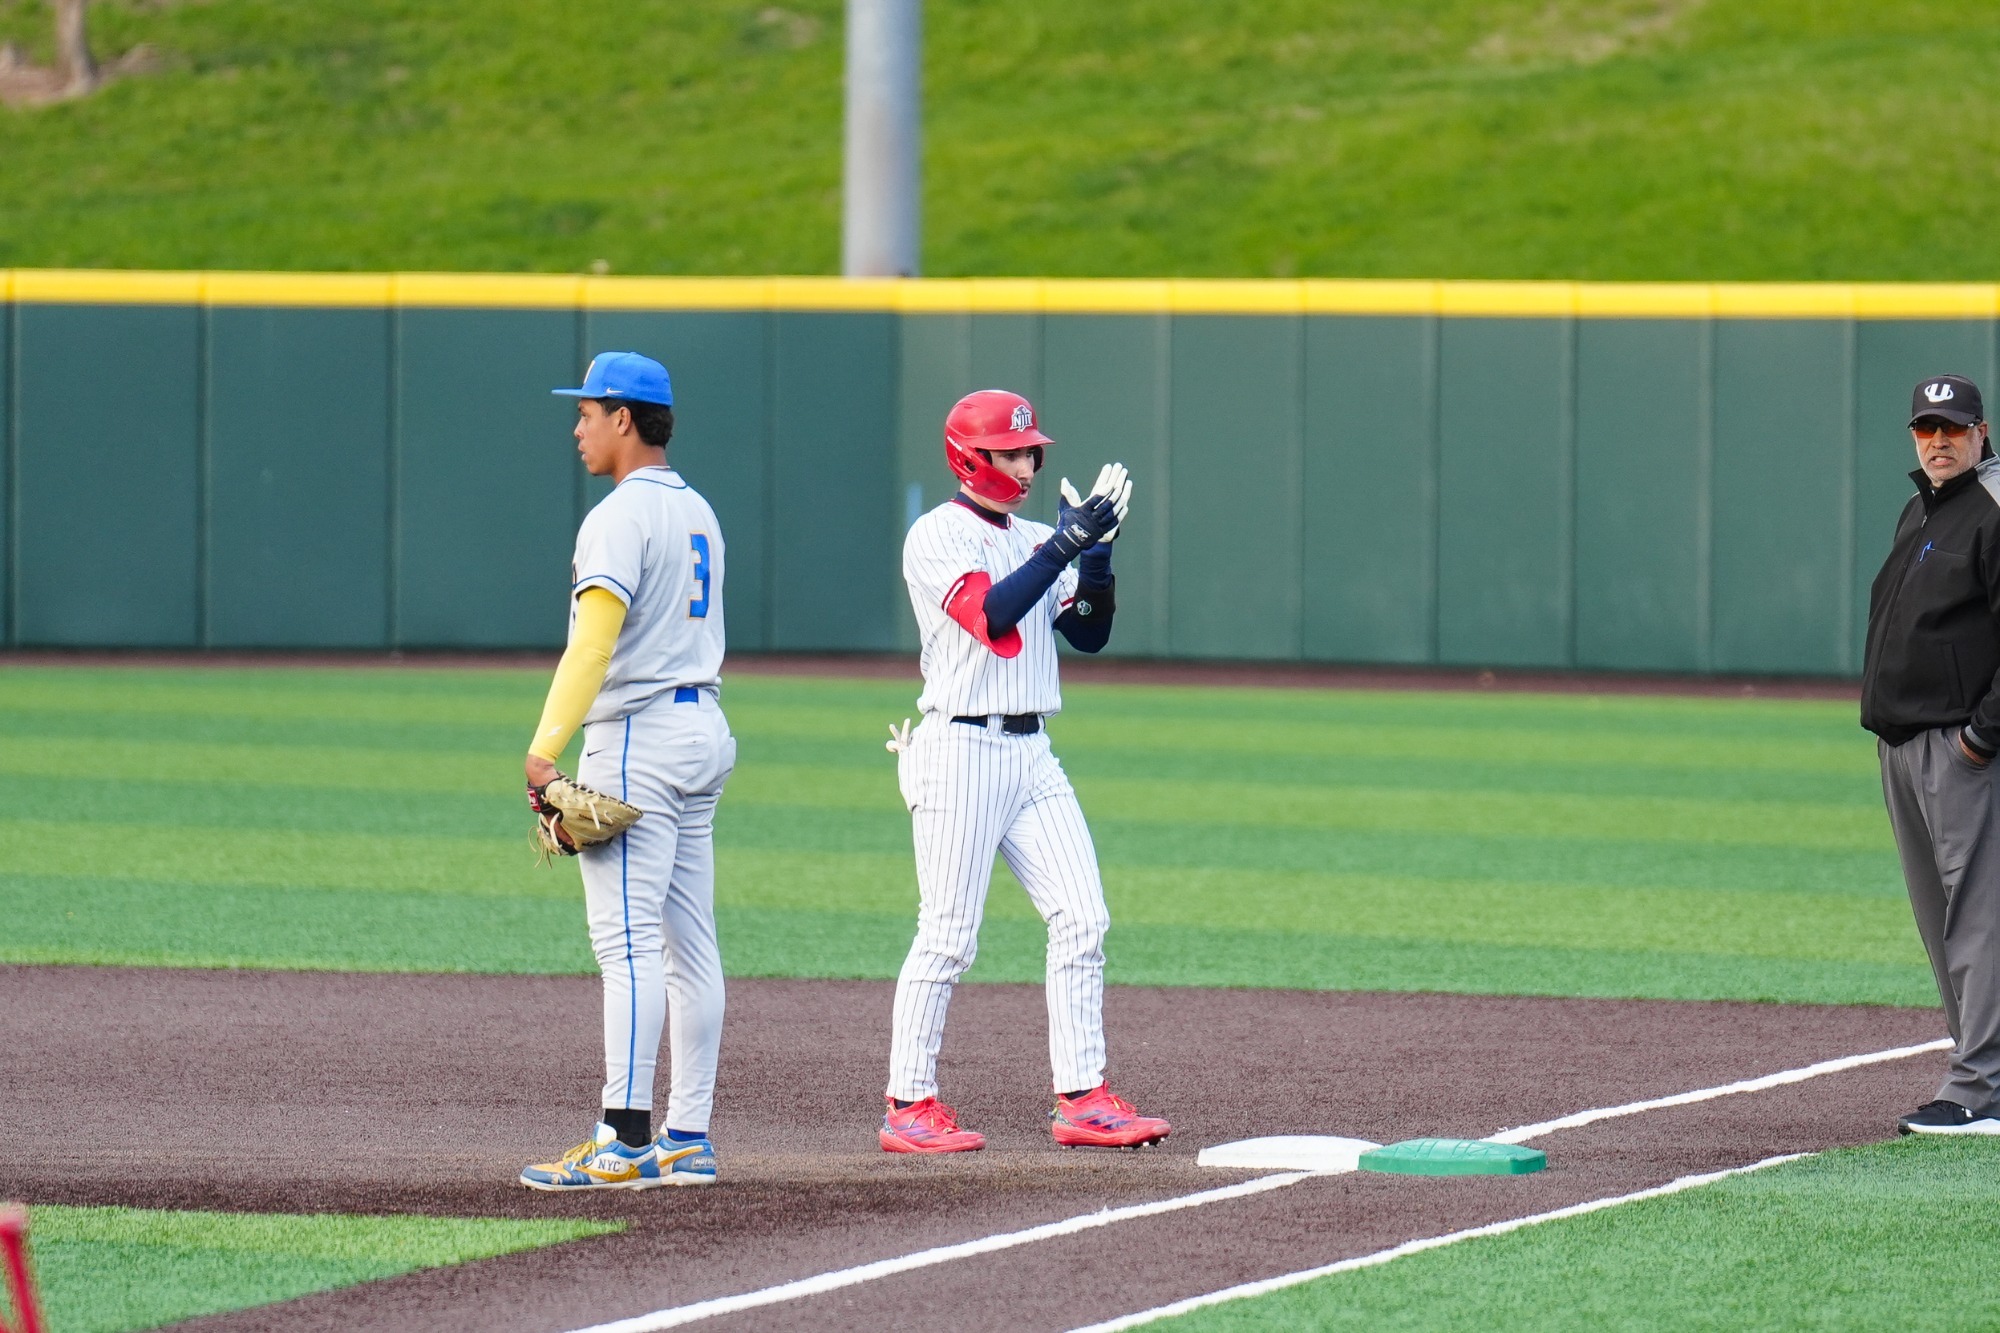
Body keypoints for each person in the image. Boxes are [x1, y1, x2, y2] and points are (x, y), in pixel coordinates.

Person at [878, 388, 1169, 1153]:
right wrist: (1064, 547)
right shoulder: (936, 534)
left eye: (1030, 449)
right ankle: (909, 1101)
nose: (1027, 461)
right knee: (947, 936)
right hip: (960, 749)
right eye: (1012, 451)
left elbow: (1090, 633)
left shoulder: (1041, 535)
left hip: (1032, 749)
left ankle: (1082, 1095)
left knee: (1083, 917)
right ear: (970, 457)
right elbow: (993, 615)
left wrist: (1096, 558)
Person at [516, 351, 738, 1188]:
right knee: (690, 942)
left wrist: (545, 748)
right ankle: (689, 1135)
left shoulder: (617, 517)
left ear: (625, 418)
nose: (576, 426)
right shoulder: (700, 510)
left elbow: (593, 643)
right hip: (702, 729)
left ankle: (624, 1138)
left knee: (628, 945)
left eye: (587, 411)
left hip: (638, 737)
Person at [1863, 372, 2000, 1136]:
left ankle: (1981, 1085)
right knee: (1941, 919)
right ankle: (1978, 1072)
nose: (1939, 440)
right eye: (1926, 428)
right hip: (1905, 744)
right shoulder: (1920, 507)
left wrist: (1981, 735)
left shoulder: (1993, 507)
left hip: (1964, 749)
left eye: (1952, 427)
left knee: (1981, 919)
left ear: (1982, 432)